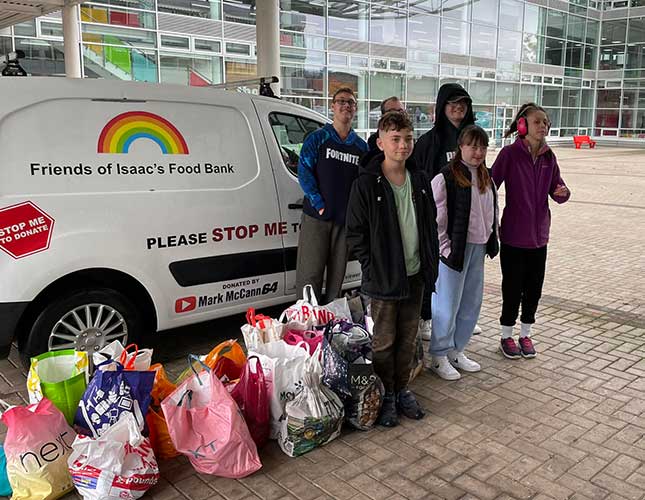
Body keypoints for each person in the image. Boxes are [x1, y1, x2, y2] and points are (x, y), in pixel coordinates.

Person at [346, 111, 439, 427]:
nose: (403, 145)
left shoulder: (420, 180)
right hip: (385, 279)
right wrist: (372, 266)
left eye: (408, 139)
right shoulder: (366, 184)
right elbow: (355, 233)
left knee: (408, 338)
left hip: (415, 276)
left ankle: (401, 390)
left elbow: (429, 225)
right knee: (384, 342)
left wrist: (429, 263)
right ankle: (384, 394)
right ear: (380, 142)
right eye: (396, 139)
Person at [491, 103, 571, 359]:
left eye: (546, 122)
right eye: (538, 122)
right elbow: (490, 184)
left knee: (534, 288)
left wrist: (563, 193)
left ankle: (525, 334)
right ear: (523, 125)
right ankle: (506, 336)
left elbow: (558, 188)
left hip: (540, 238)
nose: (543, 126)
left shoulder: (549, 157)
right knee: (512, 288)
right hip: (514, 236)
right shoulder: (509, 154)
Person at [428, 125, 499, 380]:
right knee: (447, 303)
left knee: (470, 303)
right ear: (461, 147)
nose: (478, 152)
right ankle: (438, 354)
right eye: (473, 146)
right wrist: (445, 249)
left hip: (478, 247)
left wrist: (491, 239)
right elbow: (437, 220)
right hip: (453, 252)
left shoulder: (485, 176)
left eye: (482, 146)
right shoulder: (445, 177)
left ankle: (457, 350)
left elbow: (491, 210)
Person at [414, 83, 480, 341]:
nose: (458, 107)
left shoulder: (473, 138)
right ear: (442, 106)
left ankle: (458, 317)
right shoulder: (429, 142)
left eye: (463, 103)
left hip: (465, 220)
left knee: (462, 273)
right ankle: (426, 318)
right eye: (453, 103)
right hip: (437, 218)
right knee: (433, 270)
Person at [296, 87, 368, 303]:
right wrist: (317, 202)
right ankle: (307, 319)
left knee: (337, 276)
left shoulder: (360, 147)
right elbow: (304, 170)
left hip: (344, 221)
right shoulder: (318, 138)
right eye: (341, 101)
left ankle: (331, 320)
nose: (346, 105)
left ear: (355, 109)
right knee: (310, 273)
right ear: (332, 106)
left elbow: (363, 184)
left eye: (351, 103)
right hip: (317, 217)